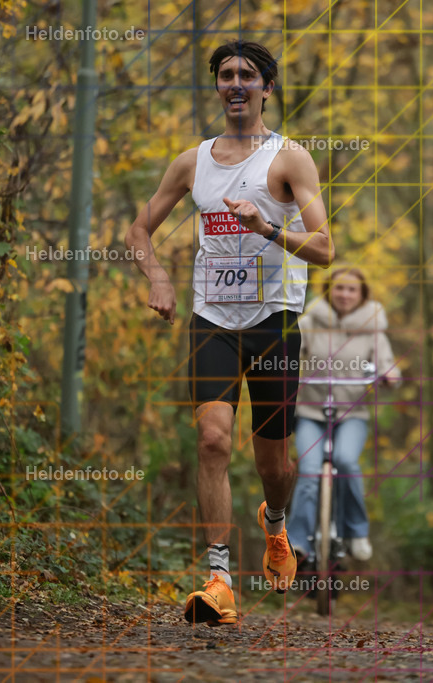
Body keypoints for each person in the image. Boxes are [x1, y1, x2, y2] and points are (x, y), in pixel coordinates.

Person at [124, 40, 334, 627]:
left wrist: (267, 228)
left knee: (275, 463)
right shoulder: (192, 162)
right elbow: (140, 229)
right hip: (212, 319)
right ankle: (218, 579)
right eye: (225, 75)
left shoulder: (289, 159)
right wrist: (159, 276)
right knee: (213, 440)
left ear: (267, 88)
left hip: (274, 323)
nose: (235, 83)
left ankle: (276, 525)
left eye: (248, 75)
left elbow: (324, 249)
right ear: (217, 87)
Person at [289, 268, 400, 566]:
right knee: (310, 472)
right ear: (329, 291)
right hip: (311, 412)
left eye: (352, 290)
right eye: (339, 289)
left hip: (352, 413)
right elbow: (288, 355)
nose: (345, 295)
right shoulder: (310, 322)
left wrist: (389, 375)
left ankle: (355, 531)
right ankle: (297, 544)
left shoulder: (372, 328)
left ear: (362, 295)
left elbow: (387, 366)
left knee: (346, 461)